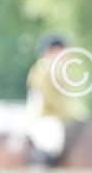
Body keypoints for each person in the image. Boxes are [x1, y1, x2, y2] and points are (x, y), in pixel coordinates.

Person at [24, 34, 88, 165]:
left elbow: (67, 96)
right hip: (45, 116)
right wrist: (71, 114)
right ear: (52, 51)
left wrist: (79, 111)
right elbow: (50, 99)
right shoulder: (43, 69)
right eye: (62, 50)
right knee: (53, 143)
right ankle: (39, 170)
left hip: (58, 115)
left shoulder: (59, 71)